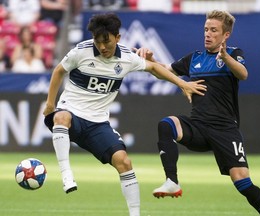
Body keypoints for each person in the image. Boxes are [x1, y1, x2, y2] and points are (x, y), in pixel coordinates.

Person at [42, 13, 206, 216]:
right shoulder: (81, 51)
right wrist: (50, 105)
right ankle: (67, 175)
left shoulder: (127, 57)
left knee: (124, 162)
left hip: (98, 124)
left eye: (107, 41)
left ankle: (135, 214)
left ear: (117, 38)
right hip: (72, 114)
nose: (102, 47)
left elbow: (154, 67)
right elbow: (59, 71)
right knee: (61, 117)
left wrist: (182, 83)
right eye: (97, 41)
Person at [135, 10, 260, 216]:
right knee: (166, 124)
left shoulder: (234, 54)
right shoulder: (194, 59)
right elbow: (165, 70)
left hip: (225, 130)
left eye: (213, 30)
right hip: (198, 127)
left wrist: (226, 58)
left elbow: (242, 74)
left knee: (242, 182)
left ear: (226, 35)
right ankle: (172, 181)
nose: (207, 34)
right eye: (206, 29)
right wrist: (151, 59)